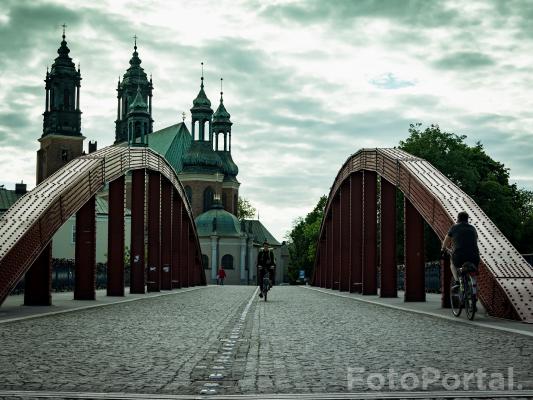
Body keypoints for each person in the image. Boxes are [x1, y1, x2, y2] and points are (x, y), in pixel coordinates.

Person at [441, 211, 480, 284]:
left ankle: (457, 281)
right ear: (467, 219)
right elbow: (476, 239)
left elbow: (446, 240)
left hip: (459, 257)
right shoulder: (473, 228)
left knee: (452, 262)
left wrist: (443, 249)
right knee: (473, 268)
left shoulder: (454, 227)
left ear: (458, 218)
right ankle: (474, 284)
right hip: (474, 257)